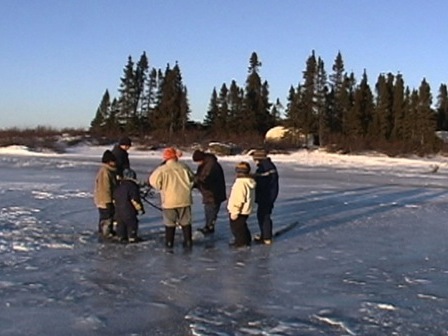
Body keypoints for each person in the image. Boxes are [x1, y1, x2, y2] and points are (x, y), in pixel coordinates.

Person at [149, 147, 195, 248]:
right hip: (184, 199)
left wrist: (160, 187)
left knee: (170, 223)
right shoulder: (184, 167)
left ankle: (169, 243)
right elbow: (192, 179)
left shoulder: (162, 170)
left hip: (169, 201)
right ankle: (188, 241)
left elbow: (153, 181)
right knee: (186, 222)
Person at [192, 149, 226, 235]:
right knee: (208, 209)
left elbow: (204, 178)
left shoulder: (210, 165)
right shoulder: (206, 164)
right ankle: (208, 226)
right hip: (209, 192)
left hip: (213, 192)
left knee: (211, 209)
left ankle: (209, 227)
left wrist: (195, 181)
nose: (197, 163)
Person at [252, 149, 279, 245]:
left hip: (267, 196)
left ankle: (267, 236)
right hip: (267, 195)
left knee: (264, 215)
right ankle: (265, 234)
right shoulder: (266, 166)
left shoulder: (265, 167)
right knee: (262, 215)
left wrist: (254, 178)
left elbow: (263, 181)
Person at [227, 161, 256, 247]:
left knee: (237, 228)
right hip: (246, 209)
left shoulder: (241, 183)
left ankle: (241, 243)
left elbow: (239, 198)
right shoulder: (249, 181)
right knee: (242, 226)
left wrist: (235, 211)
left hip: (239, 210)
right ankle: (246, 240)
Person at [113, 168, 145, 243]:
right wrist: (140, 209)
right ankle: (132, 237)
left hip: (118, 212)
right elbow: (135, 200)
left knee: (121, 225)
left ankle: (121, 236)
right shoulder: (132, 187)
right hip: (129, 212)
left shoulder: (118, 187)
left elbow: (114, 200)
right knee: (132, 224)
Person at [94, 150, 118, 238]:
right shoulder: (105, 172)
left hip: (105, 200)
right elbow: (104, 188)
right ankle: (105, 234)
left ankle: (107, 232)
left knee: (108, 217)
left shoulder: (109, 171)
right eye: (113, 161)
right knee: (106, 218)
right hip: (104, 201)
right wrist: (108, 202)